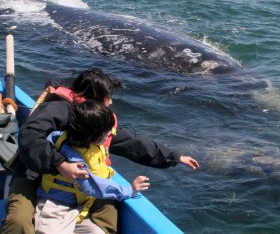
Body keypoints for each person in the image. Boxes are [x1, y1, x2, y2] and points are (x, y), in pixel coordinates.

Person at [1, 68, 199, 234]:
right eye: (108, 97)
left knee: (108, 216)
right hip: (34, 174)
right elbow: (30, 135)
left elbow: (133, 143)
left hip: (82, 185)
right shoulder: (57, 110)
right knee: (18, 222)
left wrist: (174, 157)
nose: (111, 102)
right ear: (94, 97)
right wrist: (60, 164)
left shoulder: (96, 122)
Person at [35, 101, 150, 234]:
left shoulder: (60, 135)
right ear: (92, 136)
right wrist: (129, 190)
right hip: (55, 207)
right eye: (106, 132)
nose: (109, 135)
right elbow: (94, 186)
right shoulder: (74, 159)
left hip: (79, 207)